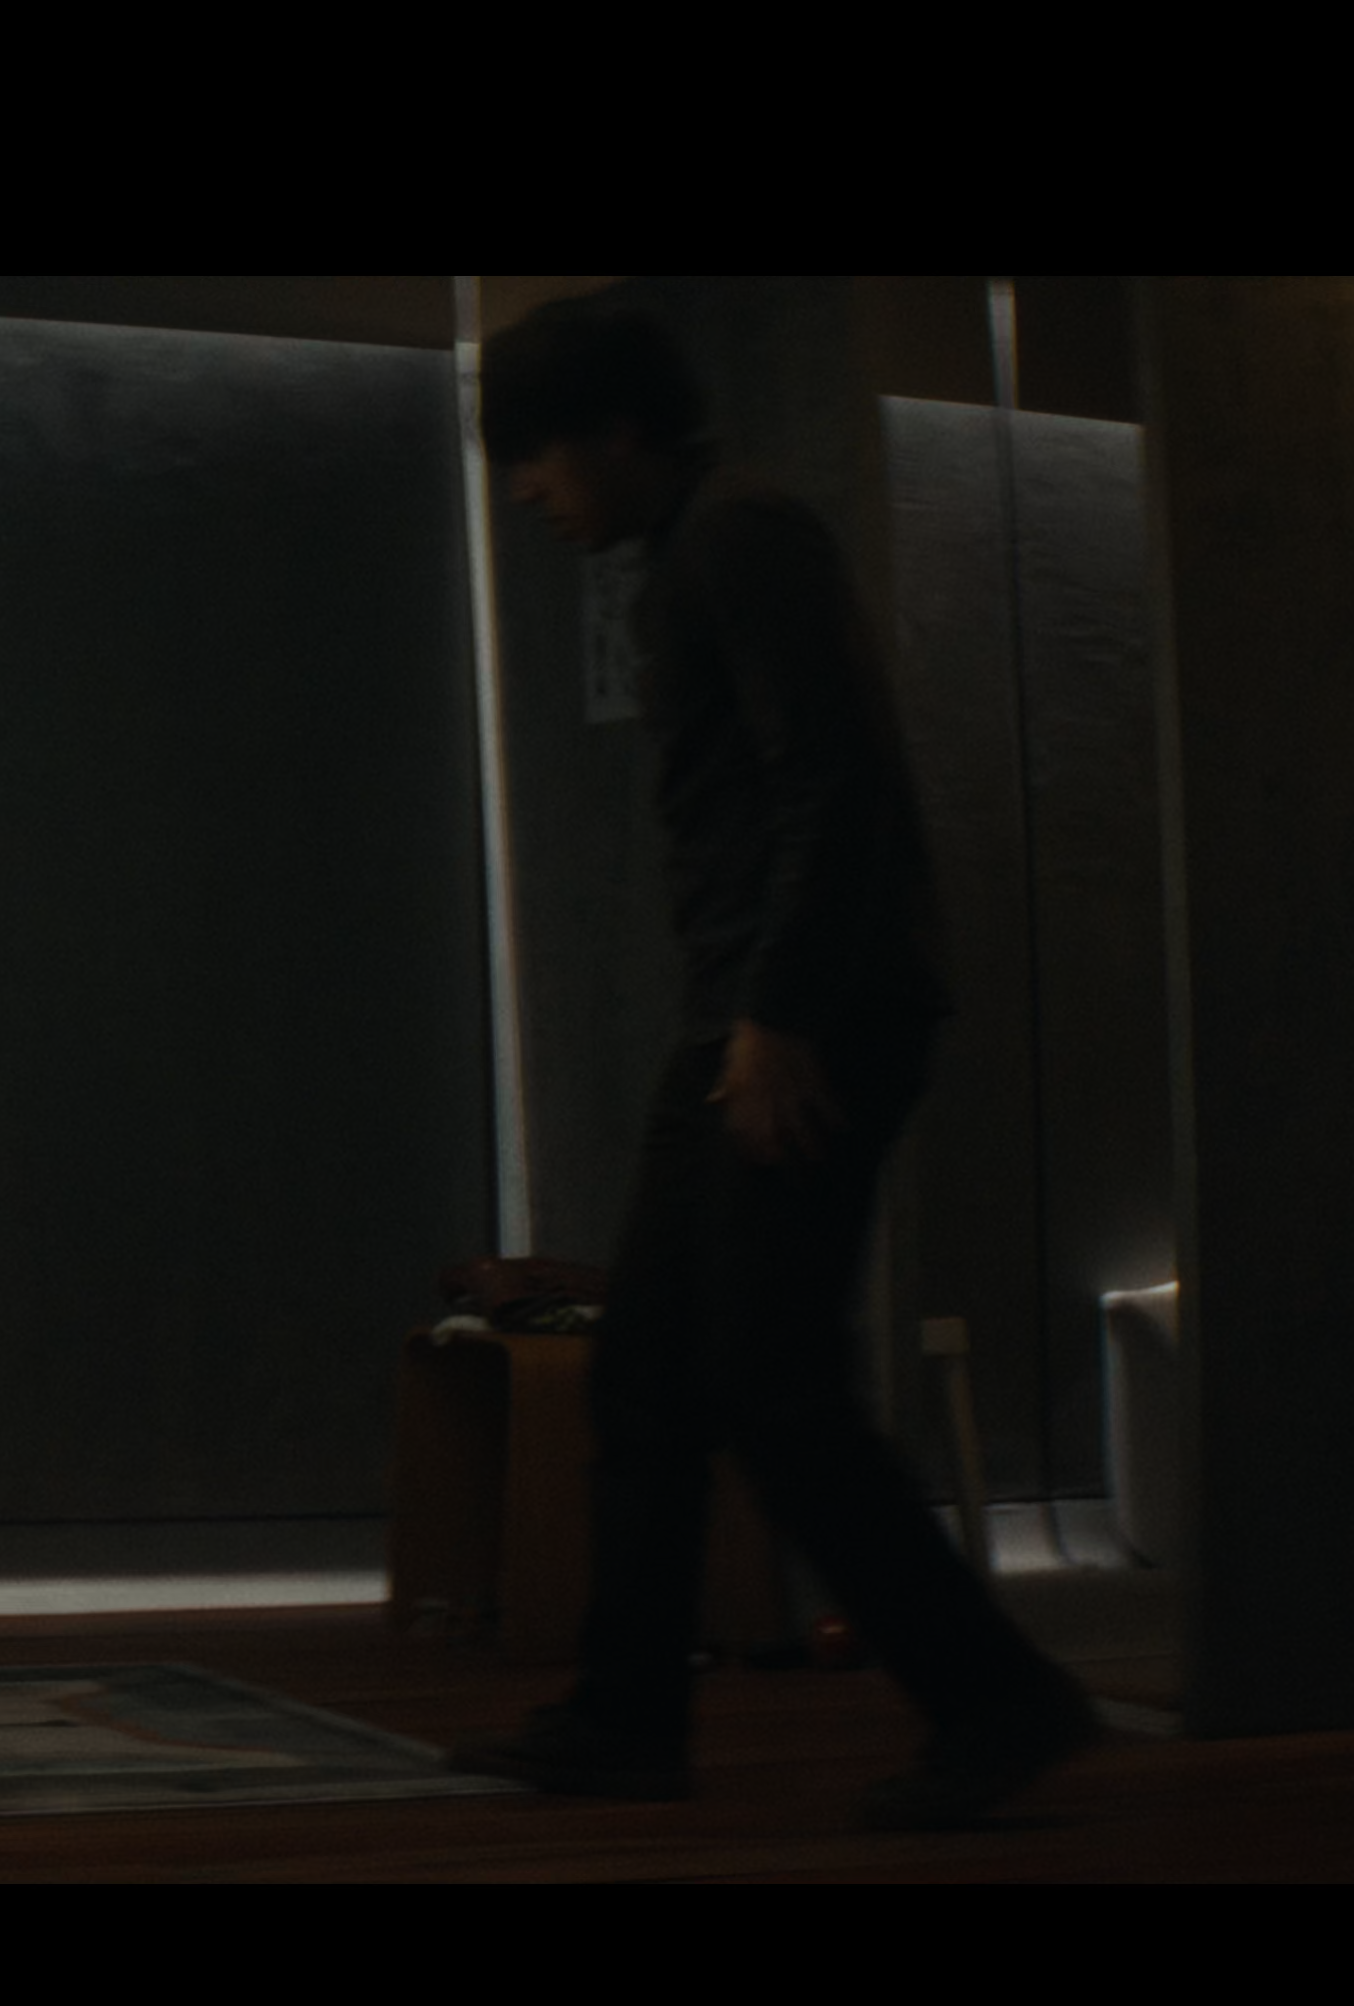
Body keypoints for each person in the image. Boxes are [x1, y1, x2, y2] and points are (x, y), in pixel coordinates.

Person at [447, 294, 1098, 1829]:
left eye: (535, 456)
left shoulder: (743, 535)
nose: (524, 492)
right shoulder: (693, 549)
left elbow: (836, 785)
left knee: (769, 1382)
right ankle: (626, 1716)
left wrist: (780, 1016)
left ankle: (997, 1702)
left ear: (616, 432)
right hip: (750, 1016)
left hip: (809, 1020)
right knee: (650, 1372)